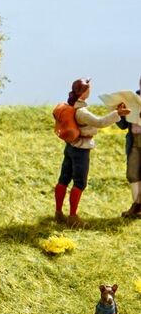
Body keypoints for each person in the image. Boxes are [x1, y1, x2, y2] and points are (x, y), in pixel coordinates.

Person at [54, 78, 130, 226]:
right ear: (83, 93)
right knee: (79, 182)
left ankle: (58, 213)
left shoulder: (71, 105)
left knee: (63, 179)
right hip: (81, 149)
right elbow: (100, 122)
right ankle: (73, 217)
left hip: (70, 146)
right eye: (89, 89)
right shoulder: (81, 111)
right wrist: (117, 113)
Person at [115, 76, 141, 218]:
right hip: (135, 142)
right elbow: (123, 125)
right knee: (132, 174)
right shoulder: (132, 99)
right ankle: (136, 206)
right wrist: (119, 114)